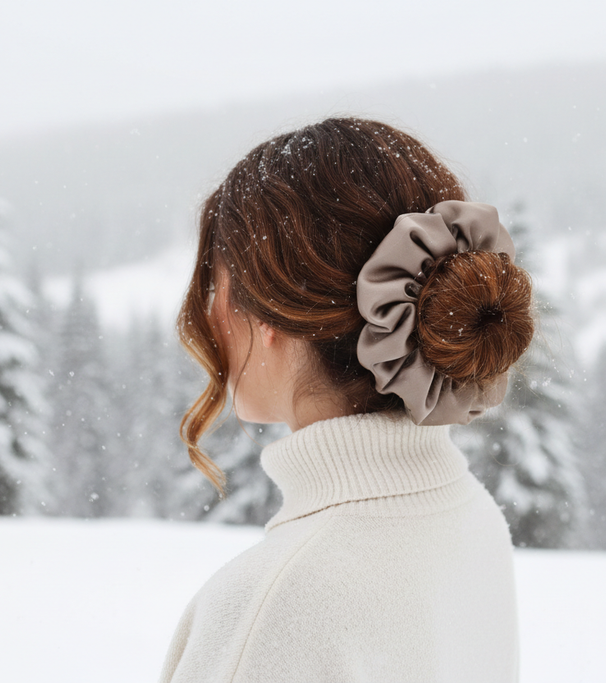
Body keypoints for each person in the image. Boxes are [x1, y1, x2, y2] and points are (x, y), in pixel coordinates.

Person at [159, 117, 534, 683]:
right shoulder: (470, 518)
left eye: (218, 286)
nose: (210, 313)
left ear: (266, 319)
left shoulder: (273, 606)